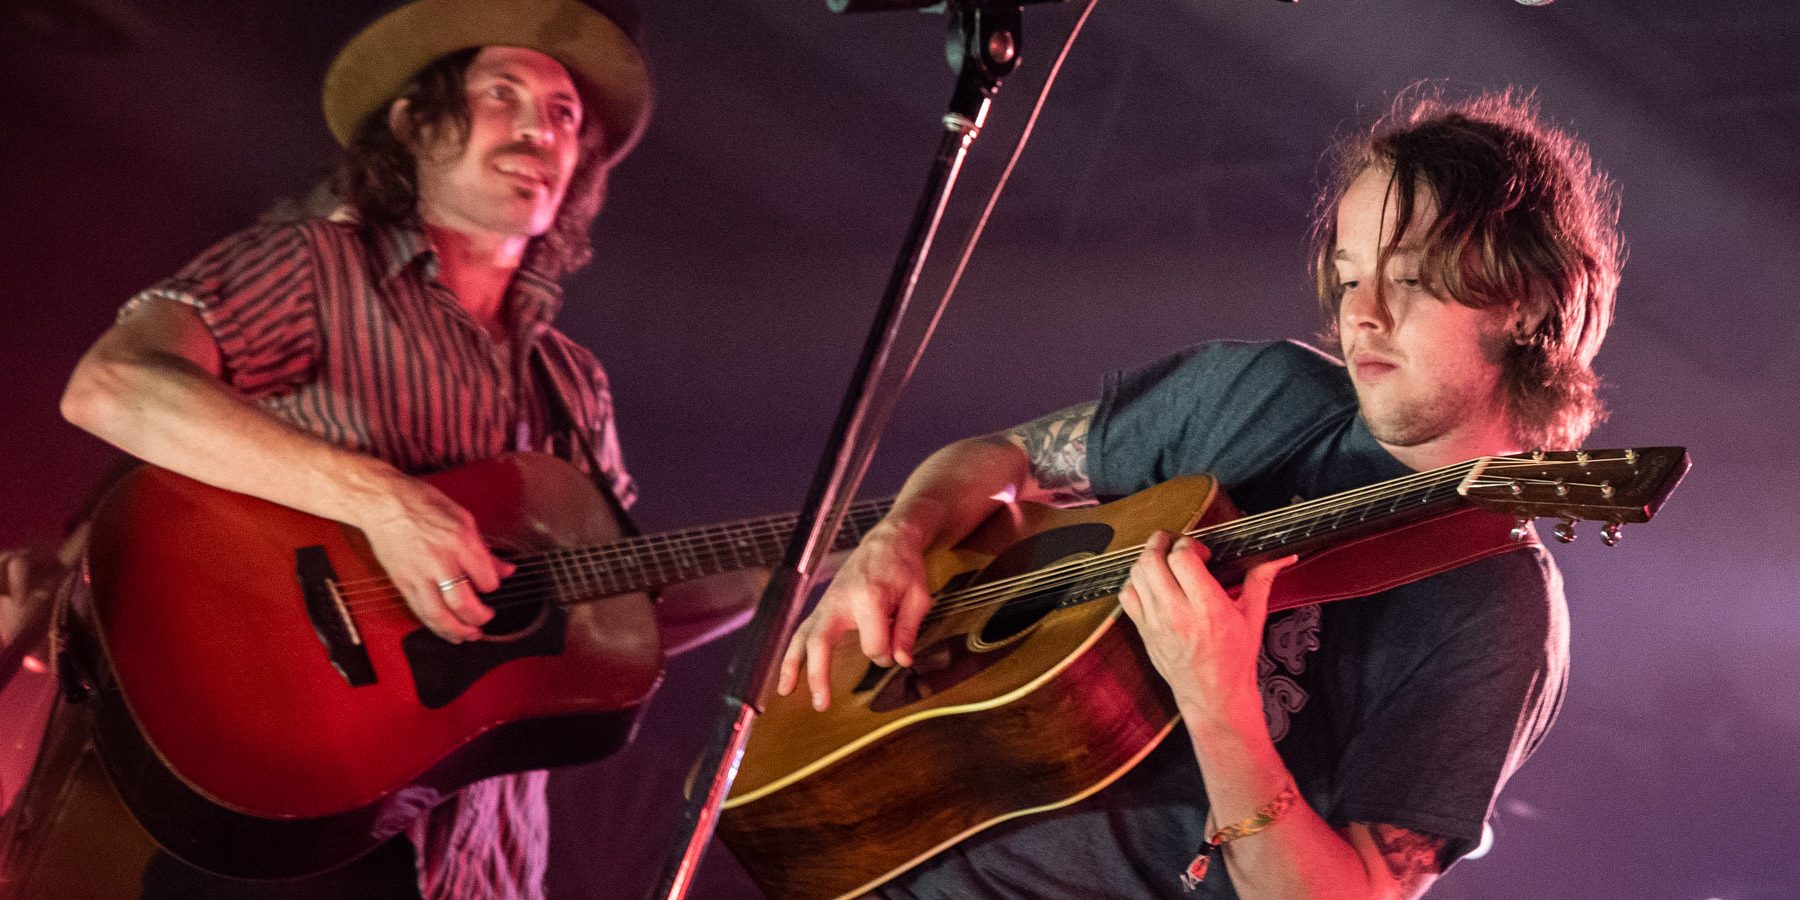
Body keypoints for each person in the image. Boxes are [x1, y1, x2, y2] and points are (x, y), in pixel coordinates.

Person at [778, 88, 1622, 899]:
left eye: (1406, 278)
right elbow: (1002, 459)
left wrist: (1219, 705)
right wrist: (899, 534)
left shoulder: (1496, 605)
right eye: (1349, 272)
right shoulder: (1261, 394)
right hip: (883, 864)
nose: (1361, 312)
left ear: (1524, 302)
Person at [56, 1, 749, 896]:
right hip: (295, 811)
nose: (541, 128)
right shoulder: (314, 267)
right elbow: (111, 386)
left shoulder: (576, 382)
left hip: (486, 866)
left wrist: (814, 561)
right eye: (504, 93)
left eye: (567, 115)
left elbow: (613, 609)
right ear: (416, 121)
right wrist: (384, 501)